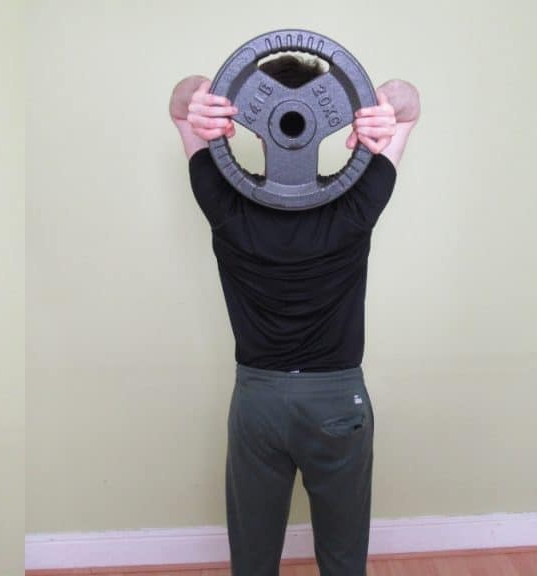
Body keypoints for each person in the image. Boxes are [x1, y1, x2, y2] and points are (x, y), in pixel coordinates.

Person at [169, 55, 420, 576]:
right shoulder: (356, 204)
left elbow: (178, 110)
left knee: (253, 563)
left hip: (258, 404)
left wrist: (197, 98)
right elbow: (410, 108)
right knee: (344, 560)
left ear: (262, 128)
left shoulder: (224, 205)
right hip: (338, 404)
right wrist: (383, 106)